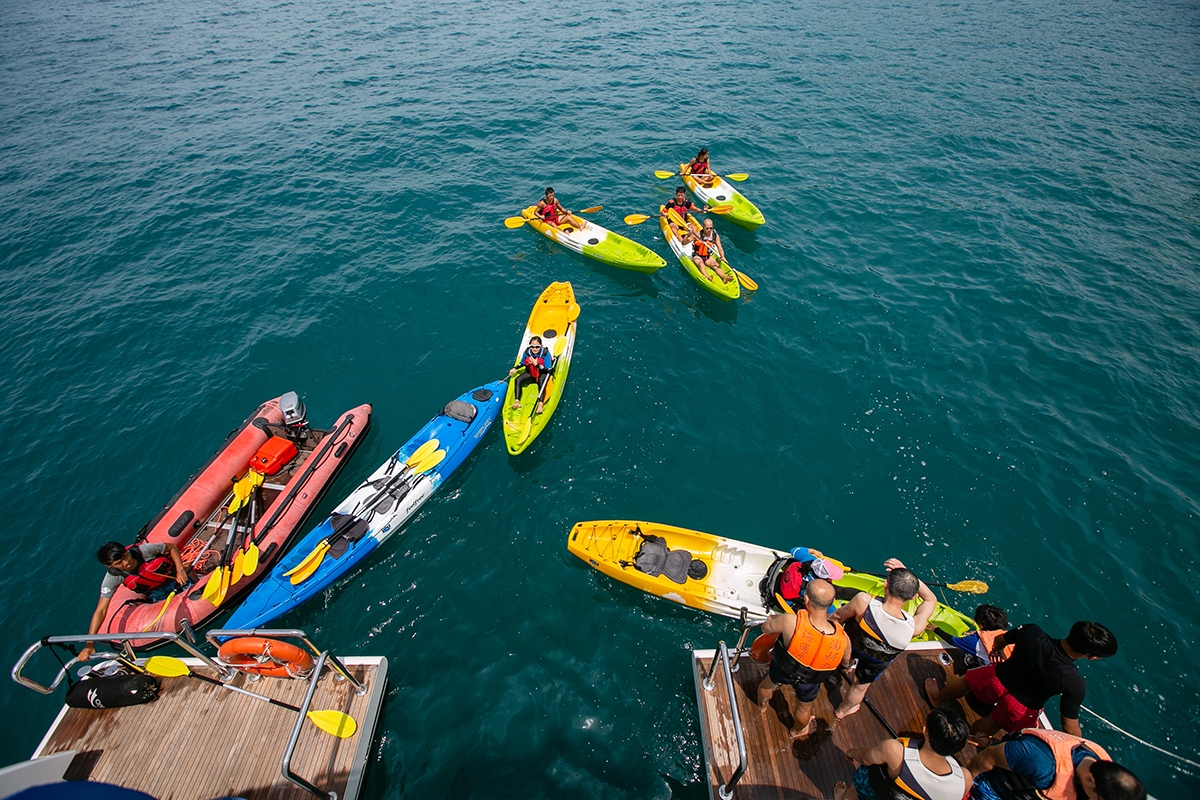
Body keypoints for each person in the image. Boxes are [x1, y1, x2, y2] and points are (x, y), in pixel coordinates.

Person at [925, 621, 1118, 738]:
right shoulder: (1074, 683)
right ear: (1091, 656)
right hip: (1019, 707)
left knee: (967, 680)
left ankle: (937, 697)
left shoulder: (1033, 632)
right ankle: (973, 736)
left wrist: (998, 651)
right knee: (993, 723)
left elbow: (1000, 641)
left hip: (997, 678)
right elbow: (1069, 725)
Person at [830, 558, 938, 720]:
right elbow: (931, 599)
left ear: (886, 584)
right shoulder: (914, 627)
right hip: (877, 659)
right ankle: (841, 711)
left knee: (847, 654)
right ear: (914, 597)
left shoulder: (864, 602)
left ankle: (846, 664)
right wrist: (909, 575)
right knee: (859, 687)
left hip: (852, 644)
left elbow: (838, 616)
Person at [756, 578, 849, 739]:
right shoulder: (843, 638)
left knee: (768, 684)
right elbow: (846, 660)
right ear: (833, 602)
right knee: (804, 708)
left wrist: (770, 622)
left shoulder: (790, 621)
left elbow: (766, 628)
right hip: (810, 681)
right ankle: (797, 731)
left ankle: (762, 707)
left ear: (806, 599)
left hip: (783, 669)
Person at [78, 540, 190, 661]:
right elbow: (101, 610)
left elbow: (172, 547)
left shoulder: (145, 551)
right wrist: (89, 644)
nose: (126, 563)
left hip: (178, 579)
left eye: (125, 556)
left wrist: (180, 569)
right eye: (118, 563)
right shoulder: (113, 578)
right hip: (158, 594)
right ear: (109, 566)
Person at [833, 707, 974, 800]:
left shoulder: (894, 750)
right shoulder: (965, 778)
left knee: (863, 777)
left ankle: (844, 797)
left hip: (878, 791)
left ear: (925, 731)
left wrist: (853, 753)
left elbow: (866, 758)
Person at [967, 728, 1145, 800]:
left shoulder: (1100, 765)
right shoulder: (1038, 761)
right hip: (994, 789)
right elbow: (986, 759)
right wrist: (965, 784)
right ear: (1090, 780)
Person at [762, 546, 844, 613]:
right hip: (789, 601)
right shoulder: (816, 589)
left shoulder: (809, 560)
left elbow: (794, 550)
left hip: (781, 581)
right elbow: (831, 611)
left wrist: (812, 550)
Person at [946, 605, 1015, 667]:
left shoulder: (976, 641)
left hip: (993, 675)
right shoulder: (1008, 637)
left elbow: (952, 641)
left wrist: (935, 628)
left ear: (981, 625)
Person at [508, 336, 554, 415]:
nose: (534, 349)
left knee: (541, 381)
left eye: (537, 347)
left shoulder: (545, 353)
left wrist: (537, 365)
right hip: (532, 374)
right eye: (532, 346)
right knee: (517, 380)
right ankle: (517, 401)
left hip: (542, 373)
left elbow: (548, 369)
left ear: (541, 346)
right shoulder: (527, 352)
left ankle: (540, 404)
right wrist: (515, 368)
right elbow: (522, 363)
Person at [685, 218, 731, 284]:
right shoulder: (697, 235)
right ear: (703, 227)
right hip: (697, 256)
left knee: (716, 265)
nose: (709, 230)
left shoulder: (715, 236)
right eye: (707, 228)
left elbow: (720, 248)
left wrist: (722, 256)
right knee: (701, 264)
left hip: (707, 256)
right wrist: (687, 235)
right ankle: (707, 277)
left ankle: (724, 278)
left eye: (711, 228)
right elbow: (684, 243)